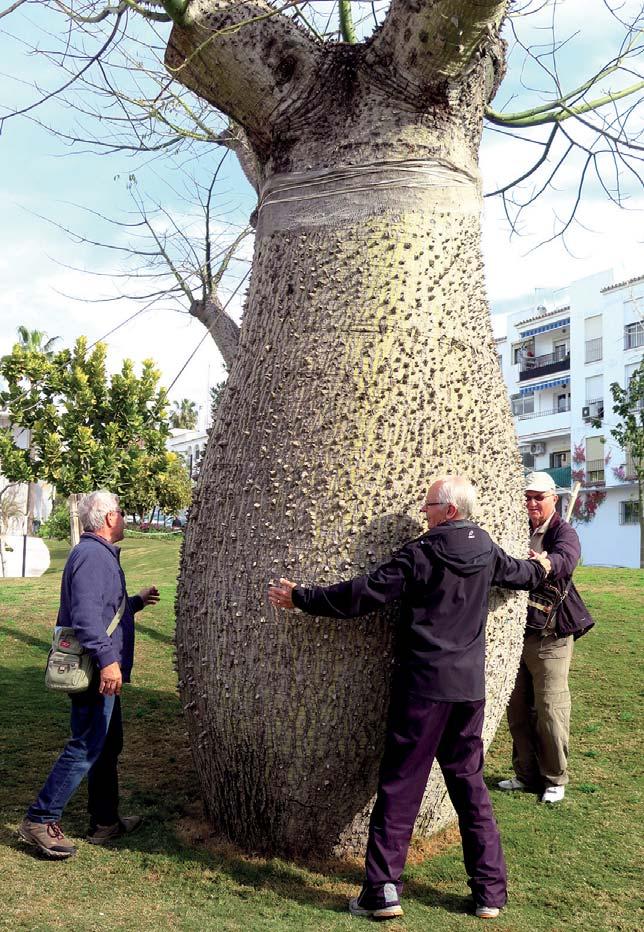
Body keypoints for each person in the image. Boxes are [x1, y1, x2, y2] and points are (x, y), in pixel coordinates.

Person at [268, 476, 550, 921]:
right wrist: (544, 567)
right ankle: (490, 894)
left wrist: (304, 598)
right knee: (471, 786)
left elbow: (364, 593)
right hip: (468, 691)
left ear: (450, 510)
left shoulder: (421, 553)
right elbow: (519, 574)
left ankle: (381, 892)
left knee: (401, 786)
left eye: (430, 505)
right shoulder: (485, 548)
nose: (424, 512)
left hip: (423, 690)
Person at [18, 490, 160, 859]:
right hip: (96, 670)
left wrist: (137, 602)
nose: (126, 518)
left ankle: (105, 821)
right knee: (85, 745)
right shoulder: (93, 556)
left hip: (101, 667)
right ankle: (40, 817)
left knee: (107, 745)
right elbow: (84, 618)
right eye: (123, 512)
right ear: (110, 518)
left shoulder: (97, 555)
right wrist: (108, 661)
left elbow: (105, 609)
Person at [498, 471, 592, 804]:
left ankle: (555, 778)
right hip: (517, 635)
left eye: (539, 497)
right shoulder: (514, 526)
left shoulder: (563, 532)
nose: (532, 503)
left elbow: (567, 559)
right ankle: (525, 774)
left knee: (551, 708)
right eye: (527, 497)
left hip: (551, 636)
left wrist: (546, 563)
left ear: (553, 499)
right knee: (518, 709)